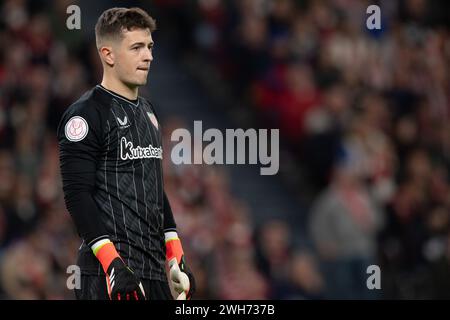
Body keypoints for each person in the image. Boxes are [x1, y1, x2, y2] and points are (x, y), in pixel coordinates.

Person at [57, 7, 195, 300]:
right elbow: (77, 195)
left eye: (149, 47)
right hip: (108, 273)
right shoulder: (84, 115)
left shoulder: (148, 111)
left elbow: (153, 186)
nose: (148, 56)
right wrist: (112, 263)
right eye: (136, 48)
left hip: (153, 271)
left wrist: (174, 249)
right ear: (108, 55)